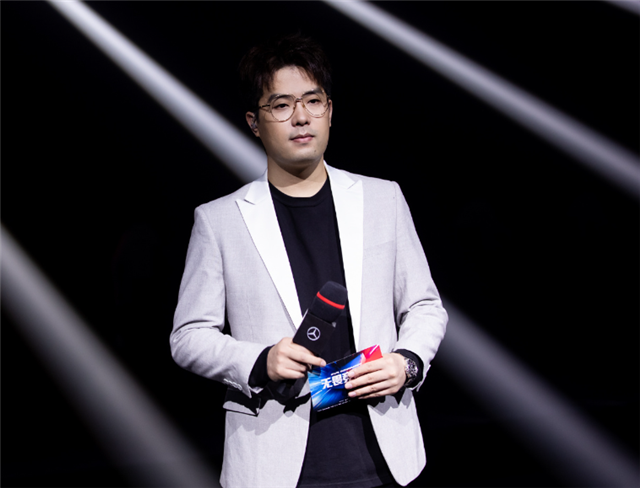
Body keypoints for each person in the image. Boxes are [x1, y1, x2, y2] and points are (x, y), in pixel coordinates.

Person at [171, 33, 447, 488]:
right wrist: (260, 360)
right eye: (281, 105)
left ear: (330, 111)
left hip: (385, 456)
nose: (301, 117)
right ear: (254, 122)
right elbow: (188, 336)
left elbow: (424, 305)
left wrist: (407, 362)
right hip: (274, 463)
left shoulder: (383, 199)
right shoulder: (220, 220)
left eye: (313, 101)